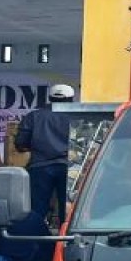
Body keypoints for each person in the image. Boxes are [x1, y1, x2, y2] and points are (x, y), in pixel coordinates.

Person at [15, 83, 75, 226]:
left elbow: (21, 143)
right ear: (71, 98)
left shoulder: (33, 116)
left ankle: (35, 242)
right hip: (70, 169)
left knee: (37, 209)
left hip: (40, 167)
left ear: (49, 97)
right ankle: (65, 242)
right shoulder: (76, 116)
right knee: (69, 209)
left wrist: (38, 146)